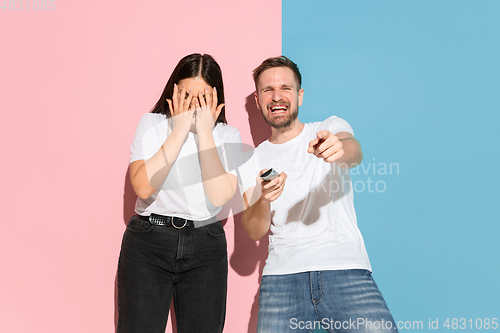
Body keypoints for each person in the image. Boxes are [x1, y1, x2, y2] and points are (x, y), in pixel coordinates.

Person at [238, 56, 398, 333]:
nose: (277, 96)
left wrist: (338, 148)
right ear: (258, 99)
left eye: (286, 88)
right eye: (268, 90)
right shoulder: (252, 159)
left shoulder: (329, 128)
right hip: (282, 280)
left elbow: (353, 151)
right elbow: (253, 230)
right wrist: (264, 199)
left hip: (346, 268)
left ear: (299, 95)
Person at [117, 53, 241, 333]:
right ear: (173, 90)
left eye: (203, 97)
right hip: (149, 242)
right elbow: (144, 186)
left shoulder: (228, 135)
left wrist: (205, 133)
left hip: (205, 245)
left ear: (216, 97)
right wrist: (181, 128)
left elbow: (220, 197)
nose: (194, 105)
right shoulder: (151, 124)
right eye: (186, 95)